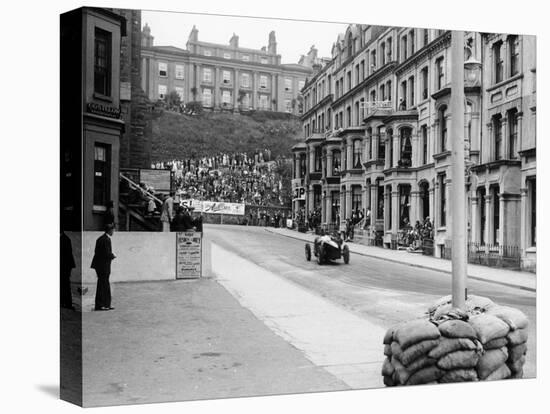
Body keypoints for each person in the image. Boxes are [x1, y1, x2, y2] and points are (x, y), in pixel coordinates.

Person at [91, 224, 116, 311]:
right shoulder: (106, 240)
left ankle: (104, 304)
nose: (113, 232)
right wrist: (112, 256)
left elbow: (98, 252)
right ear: (109, 230)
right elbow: (106, 253)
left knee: (103, 284)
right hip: (103, 266)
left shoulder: (101, 239)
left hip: (100, 265)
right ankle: (102, 305)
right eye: (113, 230)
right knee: (103, 285)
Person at [60, 231, 75, 310]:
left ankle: (67, 303)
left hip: (65, 266)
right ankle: (63, 302)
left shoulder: (65, 239)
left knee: (65, 284)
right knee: (63, 284)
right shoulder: (64, 239)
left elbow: (67, 255)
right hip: (64, 265)